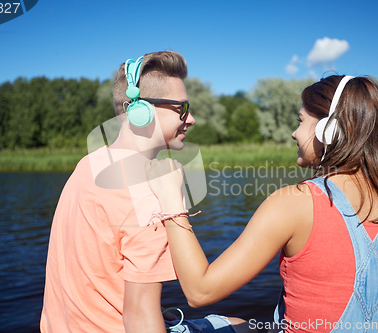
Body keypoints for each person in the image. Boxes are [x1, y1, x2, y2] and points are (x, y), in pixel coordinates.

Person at [146, 75, 378, 333]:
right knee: (239, 324)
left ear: (328, 130)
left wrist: (172, 201)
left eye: (301, 121)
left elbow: (200, 291)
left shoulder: (296, 203)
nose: (294, 133)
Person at [40, 51, 253, 333]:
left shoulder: (90, 163)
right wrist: (171, 203)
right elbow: (140, 319)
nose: (191, 119)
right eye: (182, 108)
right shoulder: (146, 196)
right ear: (142, 111)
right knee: (250, 327)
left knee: (237, 324)